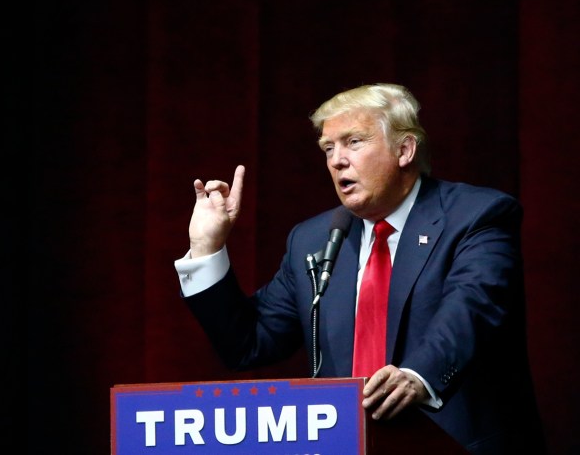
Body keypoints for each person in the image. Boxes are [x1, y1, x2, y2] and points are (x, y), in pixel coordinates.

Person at [174, 83, 545, 455]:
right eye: (328, 148)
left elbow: (471, 310)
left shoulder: (475, 215)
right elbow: (248, 343)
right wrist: (207, 247)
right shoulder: (314, 239)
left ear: (404, 150)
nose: (336, 160)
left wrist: (418, 375)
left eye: (353, 142)